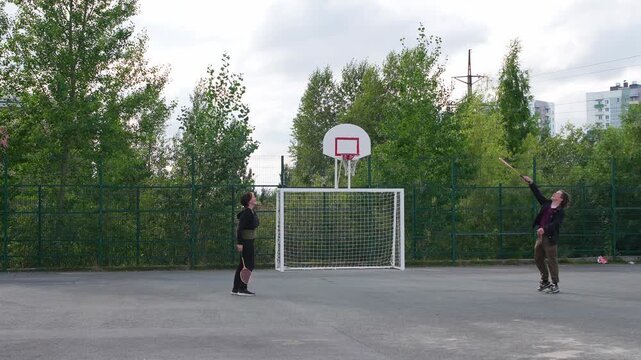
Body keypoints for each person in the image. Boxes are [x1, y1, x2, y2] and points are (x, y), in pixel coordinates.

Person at [522, 176, 570, 294]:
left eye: (557, 193)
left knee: (551, 260)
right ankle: (545, 281)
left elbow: (556, 224)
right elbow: (537, 194)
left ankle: (555, 284)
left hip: (550, 238)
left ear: (561, 199)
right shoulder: (546, 204)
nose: (554, 193)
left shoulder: (560, 212)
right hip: (540, 237)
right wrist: (531, 183)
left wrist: (545, 228)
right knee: (538, 259)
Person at [231, 191, 259, 296]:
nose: (255, 198)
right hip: (246, 242)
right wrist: (240, 243)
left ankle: (235, 289)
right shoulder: (246, 213)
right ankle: (242, 289)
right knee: (249, 265)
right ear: (249, 201)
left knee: (243, 265)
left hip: (249, 241)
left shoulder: (251, 212)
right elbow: (239, 229)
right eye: (253, 197)